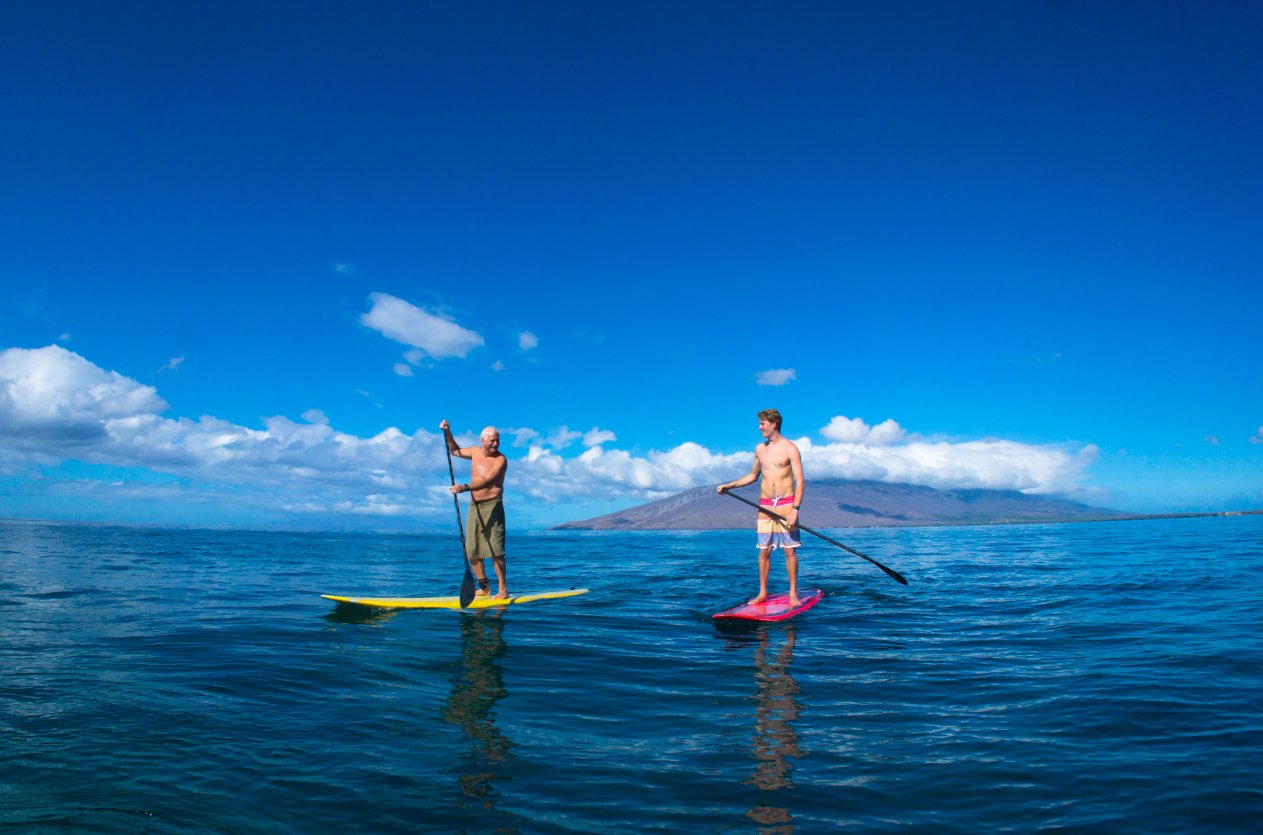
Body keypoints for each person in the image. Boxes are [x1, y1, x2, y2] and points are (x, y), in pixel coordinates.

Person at [717, 408, 805, 607]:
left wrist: (795, 509)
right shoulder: (759, 449)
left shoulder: (790, 448)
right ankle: (763, 593)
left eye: (762, 423)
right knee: (764, 551)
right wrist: (729, 485)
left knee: (790, 551)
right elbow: (752, 476)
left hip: (786, 505)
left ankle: (792, 593)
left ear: (774, 424)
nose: (759, 427)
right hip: (765, 506)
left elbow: (800, 482)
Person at [441, 420, 509, 599]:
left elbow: (487, 480)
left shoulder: (501, 460)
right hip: (474, 506)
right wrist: (448, 432)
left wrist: (464, 487)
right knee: (472, 550)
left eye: (497, 440)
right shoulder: (475, 452)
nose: (496, 443)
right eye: (492, 440)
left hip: (493, 506)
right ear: (482, 440)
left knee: (496, 550)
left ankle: (503, 589)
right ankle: (484, 587)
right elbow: (455, 451)